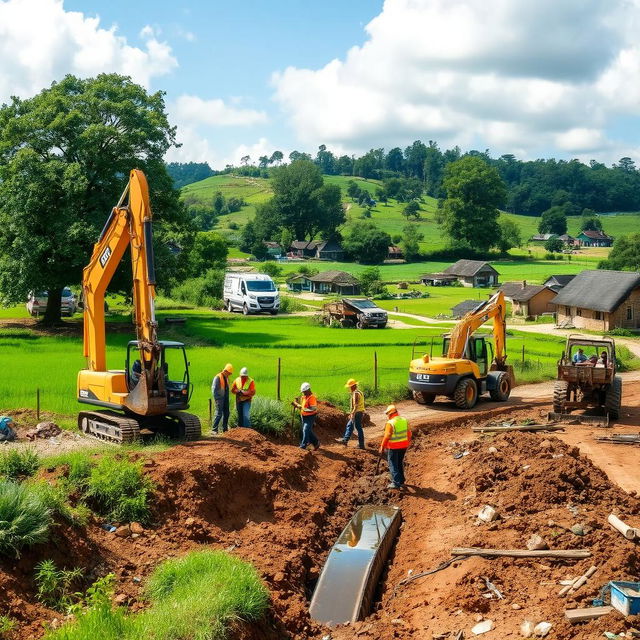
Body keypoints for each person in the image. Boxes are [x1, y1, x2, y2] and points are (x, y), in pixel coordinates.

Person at [379, 404, 411, 490]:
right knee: (399, 463)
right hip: (403, 446)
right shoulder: (404, 420)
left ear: (390, 414)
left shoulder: (390, 423)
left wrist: (382, 446)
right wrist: (407, 442)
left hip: (393, 447)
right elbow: (409, 433)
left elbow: (387, 435)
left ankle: (396, 483)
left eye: (387, 414)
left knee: (392, 464)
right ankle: (401, 480)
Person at [335, 378, 365, 449]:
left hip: (357, 412)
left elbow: (355, 405)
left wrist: (352, 413)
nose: (349, 388)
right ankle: (347, 440)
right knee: (352, 426)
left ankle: (360, 444)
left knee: (355, 427)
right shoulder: (359, 392)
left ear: (352, 386)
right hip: (359, 412)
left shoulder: (356, 394)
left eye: (349, 387)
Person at [292, 382, 319, 451]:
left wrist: (301, 408)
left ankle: (303, 446)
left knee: (306, 429)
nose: (303, 393)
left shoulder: (312, 398)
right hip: (303, 416)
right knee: (305, 430)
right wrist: (296, 402)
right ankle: (316, 443)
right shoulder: (304, 397)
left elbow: (313, 408)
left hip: (310, 416)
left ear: (308, 390)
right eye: (303, 392)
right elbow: (302, 404)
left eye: (304, 391)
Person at [211, 363, 233, 434]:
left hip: (225, 398)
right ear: (225, 371)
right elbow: (214, 390)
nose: (229, 375)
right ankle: (214, 430)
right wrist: (217, 399)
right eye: (229, 373)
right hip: (219, 398)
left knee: (226, 413)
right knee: (218, 413)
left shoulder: (226, 378)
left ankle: (225, 429)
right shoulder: (217, 377)